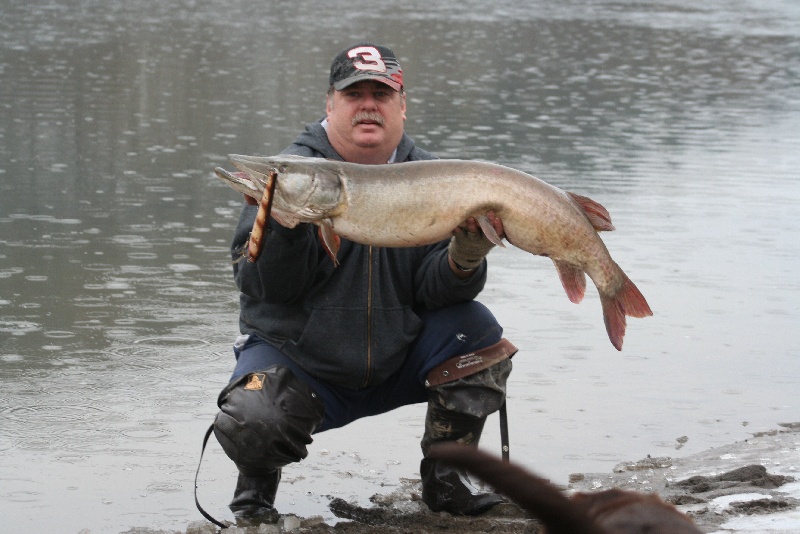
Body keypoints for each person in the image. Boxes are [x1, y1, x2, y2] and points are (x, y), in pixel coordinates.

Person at [213, 42, 516, 525]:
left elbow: (434, 294)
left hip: (399, 358)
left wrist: (465, 256)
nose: (368, 104)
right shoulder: (287, 176)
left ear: (402, 106)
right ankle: (254, 495)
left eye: (382, 92)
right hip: (306, 366)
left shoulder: (434, 178)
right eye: (354, 94)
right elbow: (263, 291)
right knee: (253, 415)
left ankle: (446, 482)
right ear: (331, 104)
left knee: (478, 335)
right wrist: (286, 232)